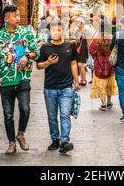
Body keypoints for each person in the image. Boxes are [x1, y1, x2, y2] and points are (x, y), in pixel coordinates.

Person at [0, 5, 39, 156]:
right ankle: (11, 143)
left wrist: (27, 56)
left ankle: (21, 134)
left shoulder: (26, 33)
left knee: (25, 109)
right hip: (6, 80)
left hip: (23, 78)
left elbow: (35, 51)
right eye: (14, 15)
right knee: (8, 114)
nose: (18, 18)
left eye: (18, 15)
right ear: (6, 18)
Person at [37, 20, 80, 154]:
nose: (57, 32)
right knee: (52, 116)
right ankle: (55, 139)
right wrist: (48, 62)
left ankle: (64, 141)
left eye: (59, 30)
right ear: (49, 32)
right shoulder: (45, 48)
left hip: (66, 86)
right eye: (54, 30)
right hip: (50, 87)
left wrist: (76, 80)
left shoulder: (70, 46)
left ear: (63, 31)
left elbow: (73, 63)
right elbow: (39, 66)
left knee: (65, 114)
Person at [89, 20, 117, 111]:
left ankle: (103, 104)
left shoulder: (96, 39)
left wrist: (97, 55)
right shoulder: (113, 38)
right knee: (109, 84)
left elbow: (91, 51)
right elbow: (116, 51)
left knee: (101, 85)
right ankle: (109, 102)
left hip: (99, 65)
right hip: (110, 65)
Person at [73, 17, 89, 86]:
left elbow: (89, 41)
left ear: (82, 23)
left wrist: (89, 52)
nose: (77, 24)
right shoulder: (76, 31)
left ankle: (84, 79)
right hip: (77, 49)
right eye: (76, 22)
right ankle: (80, 79)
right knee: (78, 65)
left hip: (84, 49)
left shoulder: (86, 31)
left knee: (81, 65)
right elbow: (75, 40)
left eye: (78, 22)